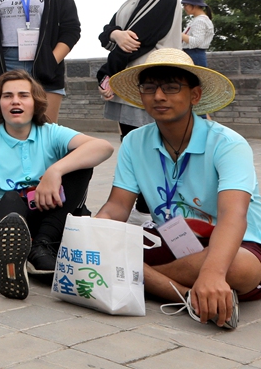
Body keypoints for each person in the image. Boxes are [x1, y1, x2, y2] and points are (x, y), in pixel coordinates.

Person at [98, 48, 261, 330]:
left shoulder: (228, 144)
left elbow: (234, 215)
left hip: (233, 242)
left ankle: (137, 278)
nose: (159, 96)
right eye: (149, 88)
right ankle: (187, 293)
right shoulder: (134, 142)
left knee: (241, 269)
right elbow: (117, 207)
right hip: (174, 240)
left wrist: (212, 272)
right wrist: (95, 234)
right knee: (103, 245)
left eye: (172, 87)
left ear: (194, 96)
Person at [0, 70, 113, 300]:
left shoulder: (50, 132)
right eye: (8, 96)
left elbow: (104, 147)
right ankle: (12, 259)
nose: (16, 101)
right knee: (10, 198)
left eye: (23, 95)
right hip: (7, 217)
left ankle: (40, 245)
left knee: (80, 163)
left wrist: (55, 171)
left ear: (35, 103)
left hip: (48, 213)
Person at [98, 0, 183, 145]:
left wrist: (106, 73)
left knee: (154, 148)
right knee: (133, 146)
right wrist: (116, 34)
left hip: (154, 82)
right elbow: (105, 35)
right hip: (132, 82)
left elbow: (137, 40)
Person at [181, 0, 215, 67]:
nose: (184, 8)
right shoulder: (199, 19)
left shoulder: (200, 21)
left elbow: (196, 42)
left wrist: (179, 34)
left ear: (195, 5)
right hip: (195, 54)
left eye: (186, 5)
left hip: (195, 54)